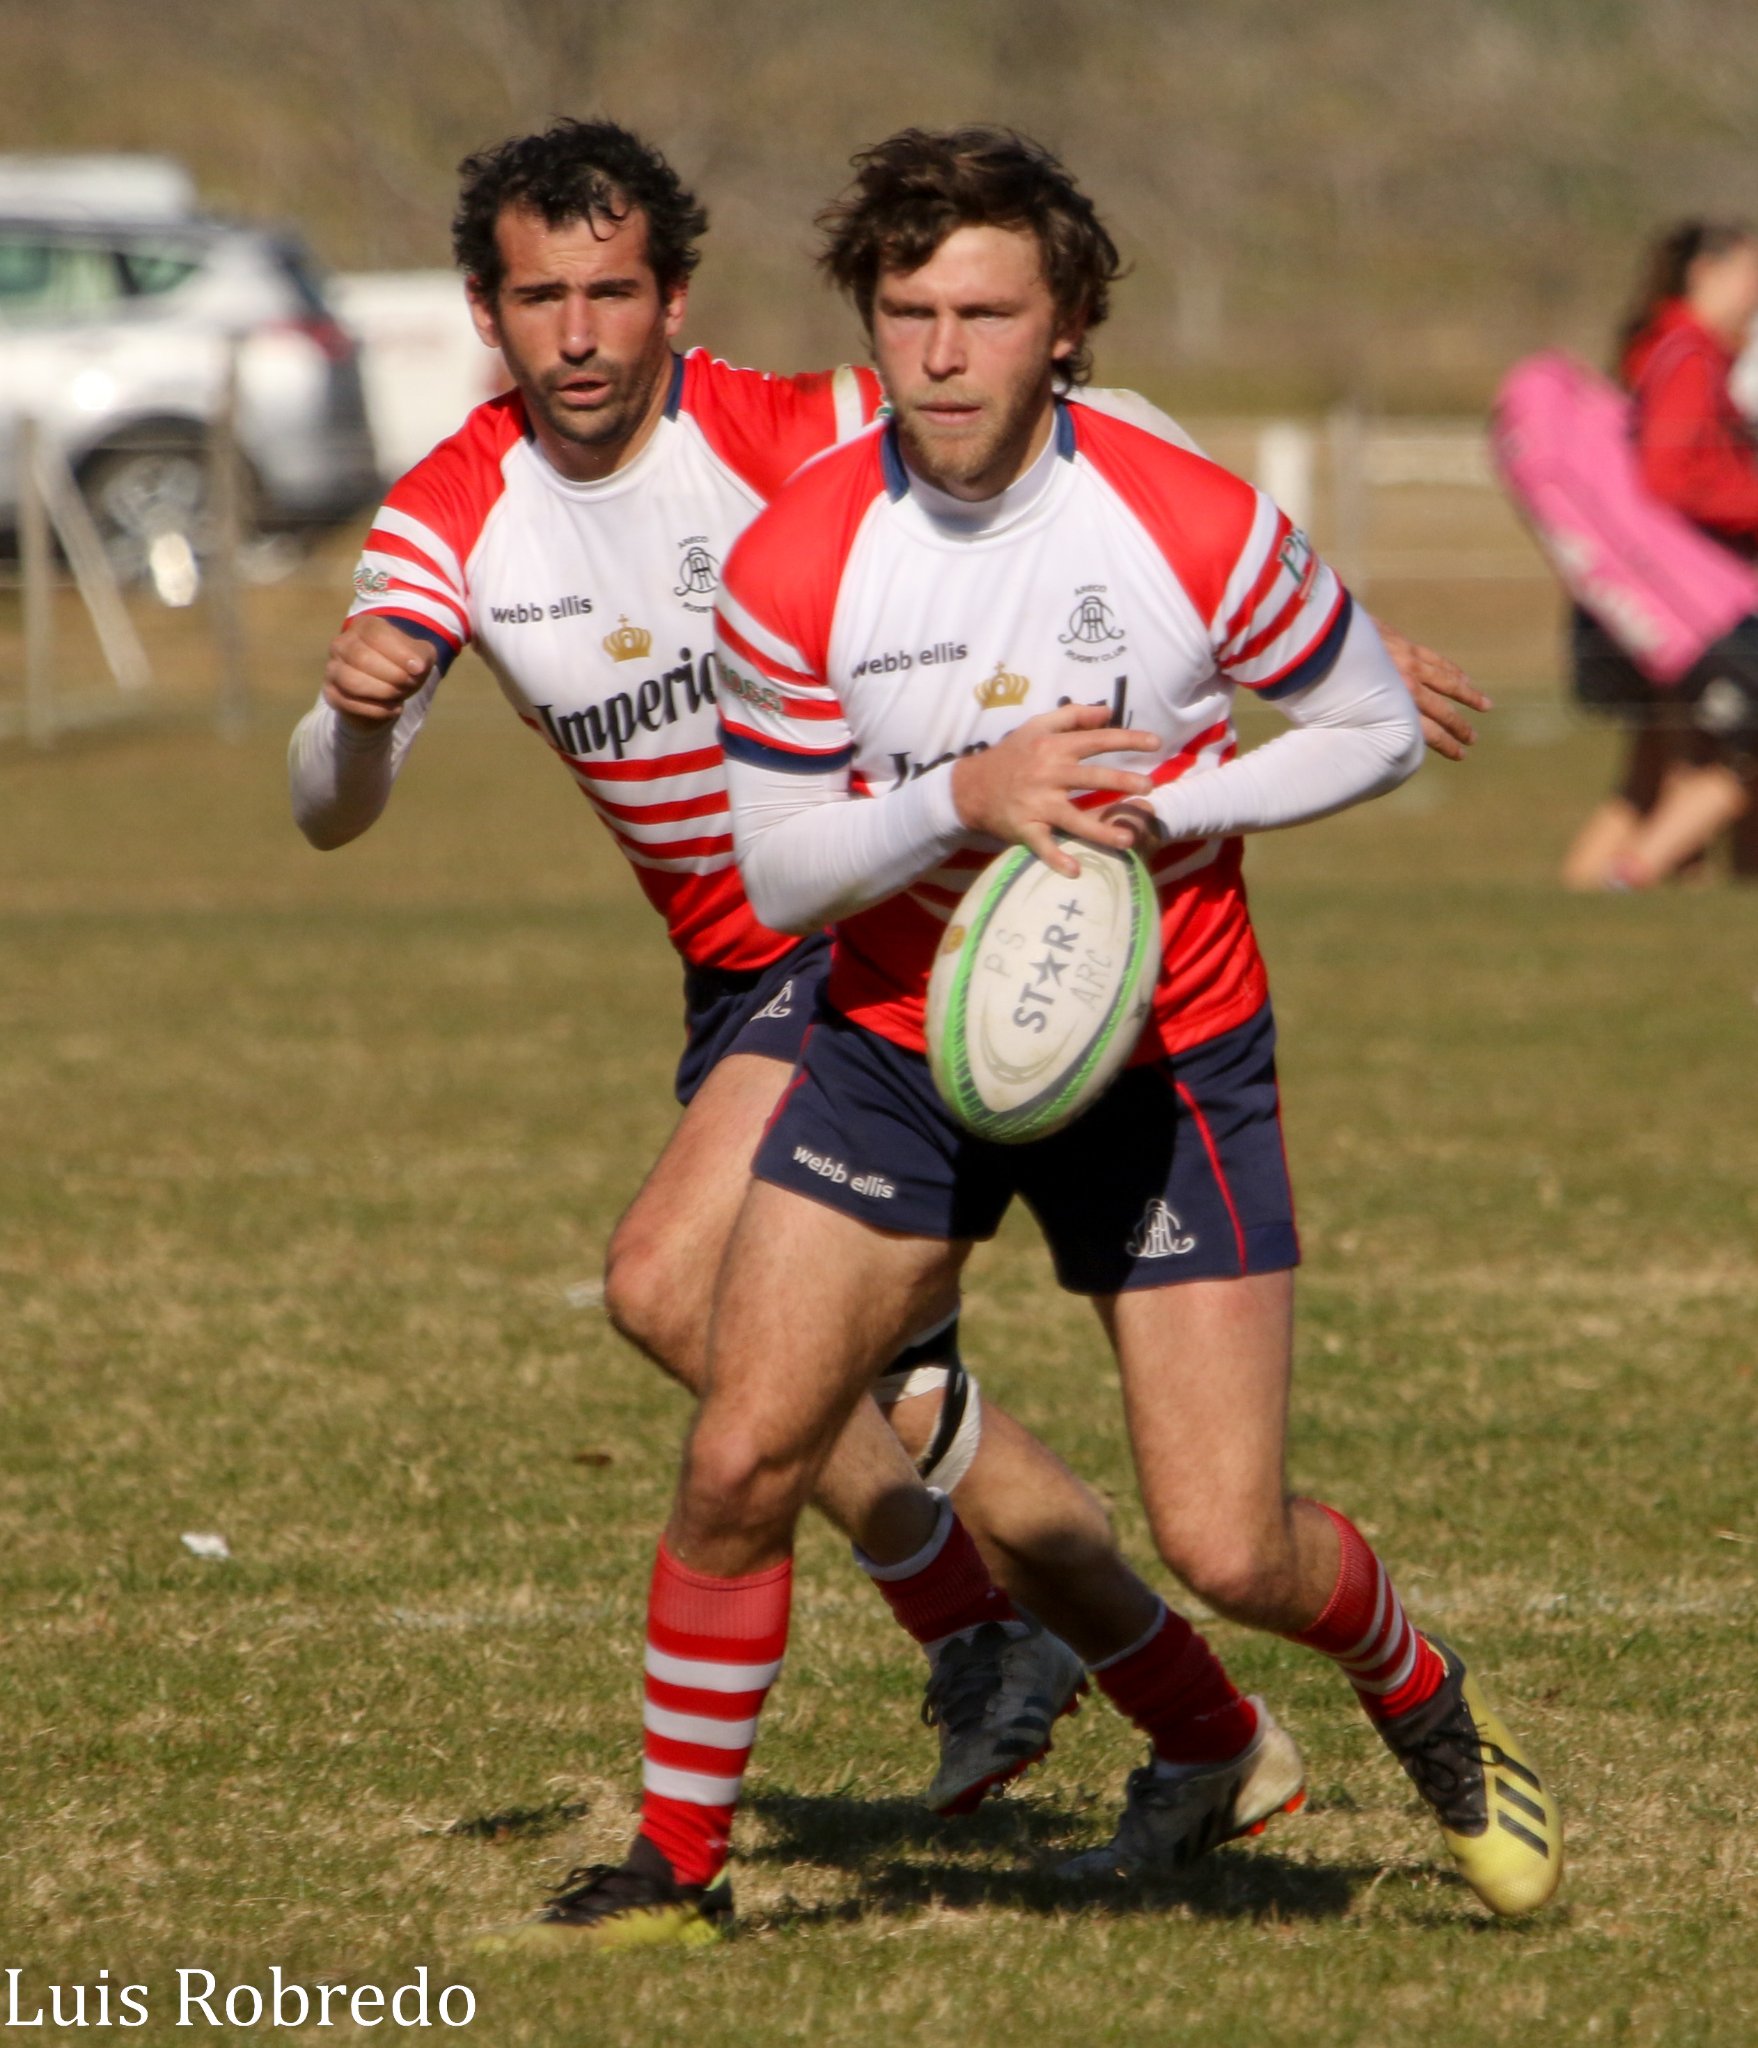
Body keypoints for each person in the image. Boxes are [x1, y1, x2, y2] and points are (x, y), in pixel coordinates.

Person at [537, 124, 1563, 1951]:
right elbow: (778, 869)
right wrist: (967, 794)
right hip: (892, 1040)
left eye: (984, 312)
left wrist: (1167, 813)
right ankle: (671, 1868)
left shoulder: (1181, 519)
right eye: (908, 310)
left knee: (1230, 1543)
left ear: (1064, 325)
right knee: (739, 1451)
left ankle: (1413, 1686)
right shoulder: (799, 557)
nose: (941, 350)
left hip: (1164, 1047)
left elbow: (1369, 726)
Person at [1563, 220, 1758, 890]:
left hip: (1654, 599)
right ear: (1705, 273)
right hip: (1688, 601)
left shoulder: (1676, 349)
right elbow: (1674, 477)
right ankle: (1627, 878)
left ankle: (1590, 889)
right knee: (1728, 762)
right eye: (1749, 271)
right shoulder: (1688, 353)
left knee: (1659, 770)